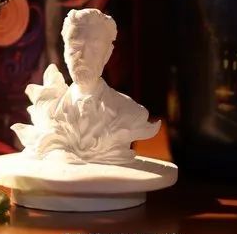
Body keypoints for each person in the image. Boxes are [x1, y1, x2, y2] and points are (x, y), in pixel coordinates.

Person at [12, 8, 159, 165]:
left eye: (94, 48)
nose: (82, 56)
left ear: (108, 54)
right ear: (65, 51)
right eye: (75, 46)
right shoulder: (49, 109)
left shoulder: (129, 113)